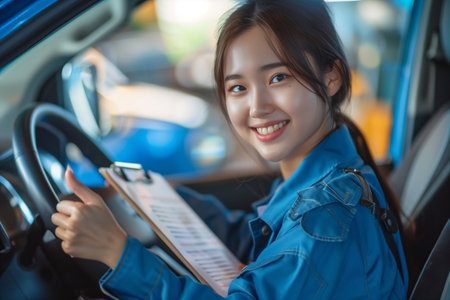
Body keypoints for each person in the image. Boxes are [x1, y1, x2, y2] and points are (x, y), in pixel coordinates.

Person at [51, 0, 409, 298]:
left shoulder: (326, 217)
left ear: (332, 76)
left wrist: (116, 251)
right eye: (238, 87)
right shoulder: (322, 186)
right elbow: (255, 243)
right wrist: (149, 199)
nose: (257, 107)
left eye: (278, 77)